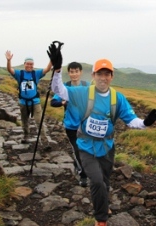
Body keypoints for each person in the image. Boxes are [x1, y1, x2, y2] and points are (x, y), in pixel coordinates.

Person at [51, 57, 156, 226]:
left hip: (107, 147)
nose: (103, 77)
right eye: (100, 73)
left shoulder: (117, 98)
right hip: (85, 146)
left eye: (107, 74)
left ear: (112, 77)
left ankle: (103, 203)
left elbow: (131, 120)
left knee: (105, 182)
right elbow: (59, 90)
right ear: (93, 75)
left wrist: (145, 123)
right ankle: (100, 220)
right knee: (97, 181)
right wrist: (56, 70)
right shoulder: (82, 93)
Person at [50, 61, 90, 187]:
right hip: (71, 126)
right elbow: (53, 102)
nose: (74, 74)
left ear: (81, 72)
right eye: (72, 72)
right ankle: (83, 175)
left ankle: (78, 164)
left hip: (86, 125)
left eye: (76, 71)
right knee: (77, 149)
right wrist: (63, 102)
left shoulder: (87, 86)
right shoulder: (64, 87)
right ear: (69, 73)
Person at [5, 50, 52, 148]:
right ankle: (26, 135)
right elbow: (10, 70)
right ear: (24, 64)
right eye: (28, 64)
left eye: (31, 64)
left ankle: (44, 142)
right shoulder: (19, 74)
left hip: (35, 102)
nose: (29, 66)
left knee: (39, 121)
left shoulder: (36, 73)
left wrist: (52, 59)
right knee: (24, 121)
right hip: (23, 102)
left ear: (33, 65)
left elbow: (47, 69)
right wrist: (9, 61)